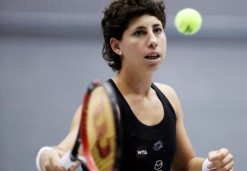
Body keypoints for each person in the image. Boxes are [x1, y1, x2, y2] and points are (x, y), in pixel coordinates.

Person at [36, 0, 234, 171]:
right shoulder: (103, 104)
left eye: (157, 30)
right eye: (140, 33)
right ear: (116, 46)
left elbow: (184, 164)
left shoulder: (168, 96)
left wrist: (209, 165)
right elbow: (63, 149)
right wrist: (47, 156)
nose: (153, 41)